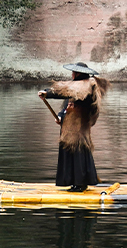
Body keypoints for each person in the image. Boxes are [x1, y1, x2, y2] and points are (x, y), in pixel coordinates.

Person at [38, 62, 110, 192]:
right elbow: (67, 103)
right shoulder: (75, 87)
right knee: (70, 153)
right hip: (69, 126)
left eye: (73, 73)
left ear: (78, 73)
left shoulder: (88, 86)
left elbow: (67, 94)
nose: (72, 75)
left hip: (79, 127)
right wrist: (60, 116)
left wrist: (48, 93)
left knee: (79, 153)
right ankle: (73, 182)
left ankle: (80, 184)